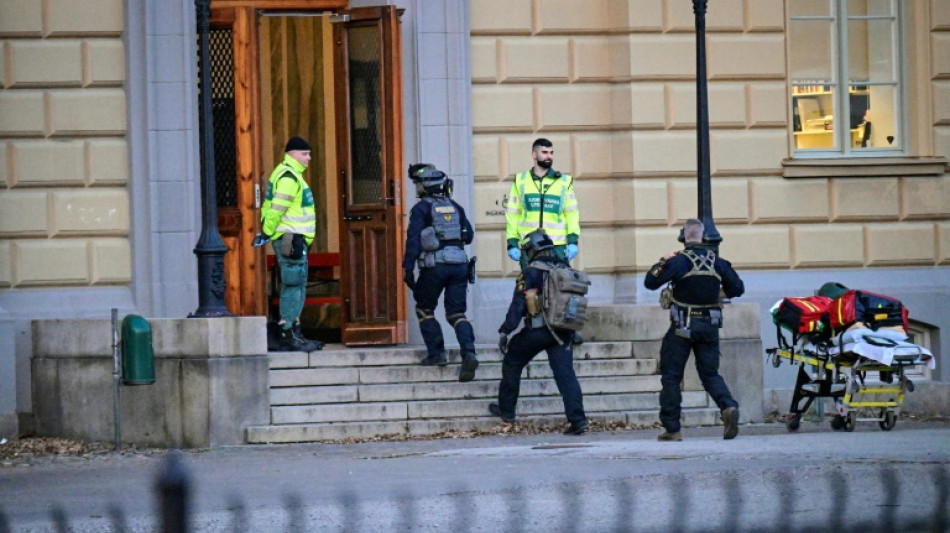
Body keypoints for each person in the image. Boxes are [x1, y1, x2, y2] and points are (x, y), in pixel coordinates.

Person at [644, 219, 744, 441]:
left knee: (671, 376)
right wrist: (719, 294)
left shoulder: (679, 262)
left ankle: (672, 428)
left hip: (682, 327)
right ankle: (728, 406)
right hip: (709, 327)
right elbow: (738, 288)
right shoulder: (718, 262)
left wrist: (663, 260)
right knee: (709, 374)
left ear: (683, 238)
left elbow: (650, 282)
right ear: (704, 237)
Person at [490, 230, 589, 435]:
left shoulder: (531, 271)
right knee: (566, 375)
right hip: (563, 332)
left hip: (538, 330)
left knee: (512, 362)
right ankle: (578, 421)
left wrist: (505, 331)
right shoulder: (564, 268)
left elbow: (518, 305)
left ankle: (507, 412)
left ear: (532, 250)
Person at [403, 163, 479, 382]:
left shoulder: (422, 209)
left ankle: (437, 354)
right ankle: (469, 352)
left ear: (425, 187)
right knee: (457, 314)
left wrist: (408, 267)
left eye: (417, 184)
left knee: (424, 308)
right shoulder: (456, 207)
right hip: (460, 265)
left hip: (436, 266)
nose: (416, 188)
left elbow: (413, 240)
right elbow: (469, 236)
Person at [259, 136, 323, 352]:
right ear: (292, 154)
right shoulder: (288, 177)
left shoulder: (290, 174)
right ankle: (288, 332)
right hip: (290, 238)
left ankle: (294, 331)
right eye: (305, 154)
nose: (309, 158)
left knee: (296, 284)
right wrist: (267, 232)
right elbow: (277, 209)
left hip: (293, 238)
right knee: (294, 284)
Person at [505, 138, 581, 270]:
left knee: (557, 286)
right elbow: (513, 214)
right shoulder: (520, 181)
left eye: (551, 153)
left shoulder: (563, 181)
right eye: (544, 152)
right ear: (534, 155)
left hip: (557, 246)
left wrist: (573, 241)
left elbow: (571, 214)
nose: (549, 156)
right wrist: (512, 243)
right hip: (529, 246)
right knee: (531, 288)